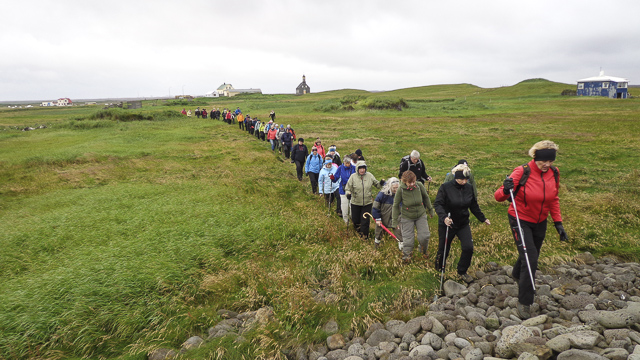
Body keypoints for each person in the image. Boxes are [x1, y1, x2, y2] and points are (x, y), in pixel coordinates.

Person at [494, 140, 567, 320]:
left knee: (531, 251)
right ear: (535, 157)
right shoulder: (522, 171)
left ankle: (516, 273)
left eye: (550, 161)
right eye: (544, 161)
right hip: (520, 218)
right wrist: (506, 188)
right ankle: (524, 302)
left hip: (540, 220)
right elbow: (499, 197)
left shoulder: (554, 173)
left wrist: (558, 223)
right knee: (530, 257)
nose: (547, 165)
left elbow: (553, 199)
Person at [435, 163, 490, 283]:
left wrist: (483, 218)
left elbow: (473, 205)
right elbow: (438, 204)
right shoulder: (445, 187)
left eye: (466, 179)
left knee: (468, 248)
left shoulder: (469, 188)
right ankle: (439, 270)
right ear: (455, 177)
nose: (464, 182)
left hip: (463, 223)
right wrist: (444, 217)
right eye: (461, 179)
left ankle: (462, 271)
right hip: (448, 223)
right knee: (443, 248)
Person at [392, 171, 435, 263]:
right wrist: (394, 221)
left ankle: (423, 251)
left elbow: (426, 197)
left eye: (413, 182)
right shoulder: (401, 190)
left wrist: (430, 210)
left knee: (424, 236)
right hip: (407, 217)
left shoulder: (419, 186)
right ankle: (407, 257)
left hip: (421, 215)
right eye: (409, 182)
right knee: (408, 240)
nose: (412, 184)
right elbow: (395, 206)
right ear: (404, 182)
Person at [345, 161, 384, 239]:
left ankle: (364, 237)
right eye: (360, 168)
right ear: (357, 169)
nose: (362, 170)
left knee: (365, 221)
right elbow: (347, 188)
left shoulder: (370, 176)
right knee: (356, 220)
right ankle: (357, 234)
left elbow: (377, 185)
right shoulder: (353, 177)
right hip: (355, 203)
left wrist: (381, 183)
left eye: (363, 168)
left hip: (367, 203)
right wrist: (348, 194)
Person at [373, 177, 403, 250]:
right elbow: (375, 207)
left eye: (397, 187)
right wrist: (378, 218)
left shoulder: (401, 194)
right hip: (383, 218)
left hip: (396, 219)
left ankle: (403, 250)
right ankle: (376, 248)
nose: (396, 189)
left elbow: (404, 209)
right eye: (394, 188)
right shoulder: (382, 194)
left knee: (400, 234)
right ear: (390, 186)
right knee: (378, 234)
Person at [331, 154, 356, 223]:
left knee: (352, 207)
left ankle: (352, 220)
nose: (347, 164)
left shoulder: (354, 168)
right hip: (343, 190)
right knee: (344, 207)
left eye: (349, 163)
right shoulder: (340, 168)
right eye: (346, 163)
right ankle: (346, 222)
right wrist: (332, 178)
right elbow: (335, 178)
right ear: (344, 162)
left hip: (353, 190)